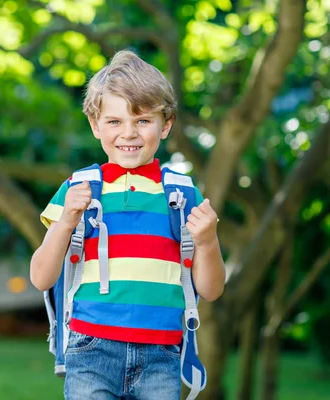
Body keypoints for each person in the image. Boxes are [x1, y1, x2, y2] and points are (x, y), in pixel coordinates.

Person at [30, 50, 226, 400]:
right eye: (115, 121)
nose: (129, 133)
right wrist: (66, 223)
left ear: (165, 125)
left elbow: (210, 291)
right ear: (95, 125)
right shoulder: (79, 188)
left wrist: (208, 242)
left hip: (161, 354)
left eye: (143, 121)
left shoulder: (181, 194)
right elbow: (42, 277)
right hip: (91, 348)